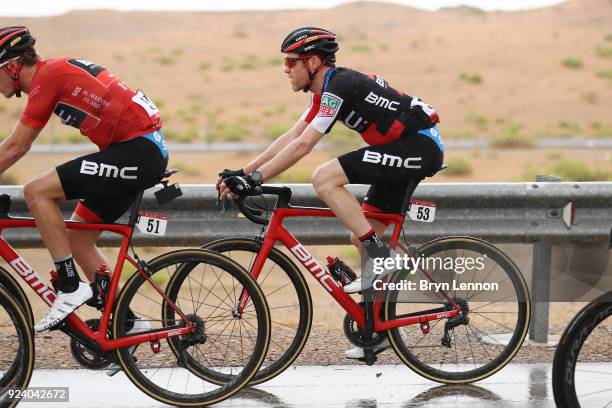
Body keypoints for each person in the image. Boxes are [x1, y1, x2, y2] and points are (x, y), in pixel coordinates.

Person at [217, 27, 444, 359]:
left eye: (290, 61)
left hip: (418, 146)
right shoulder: (326, 92)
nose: (285, 69)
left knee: (324, 179)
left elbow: (306, 146)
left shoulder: (339, 86)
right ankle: (378, 330)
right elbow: (292, 136)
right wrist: (244, 172)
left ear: (311, 62)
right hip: (403, 147)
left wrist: (255, 179)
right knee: (362, 235)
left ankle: (380, 256)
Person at [0, 26, 168, 332]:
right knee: (77, 238)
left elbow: (16, 146)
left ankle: (69, 286)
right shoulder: (53, 72)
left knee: (36, 191)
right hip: (137, 151)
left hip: (137, 152)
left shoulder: (46, 78)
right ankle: (127, 322)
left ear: (11, 66)